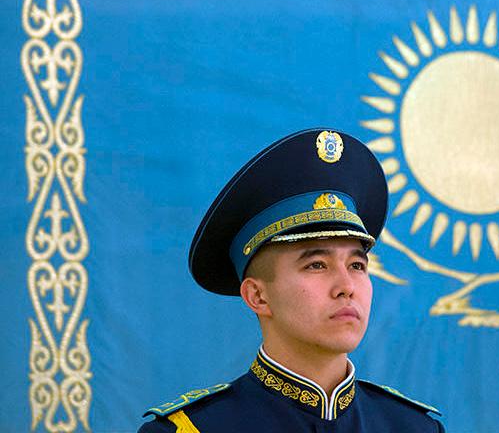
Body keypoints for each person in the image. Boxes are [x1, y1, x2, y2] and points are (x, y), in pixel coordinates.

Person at [138, 129, 445, 432]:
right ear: (257, 296)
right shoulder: (192, 429)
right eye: (316, 265)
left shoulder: (416, 427)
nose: (346, 287)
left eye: (357, 265)